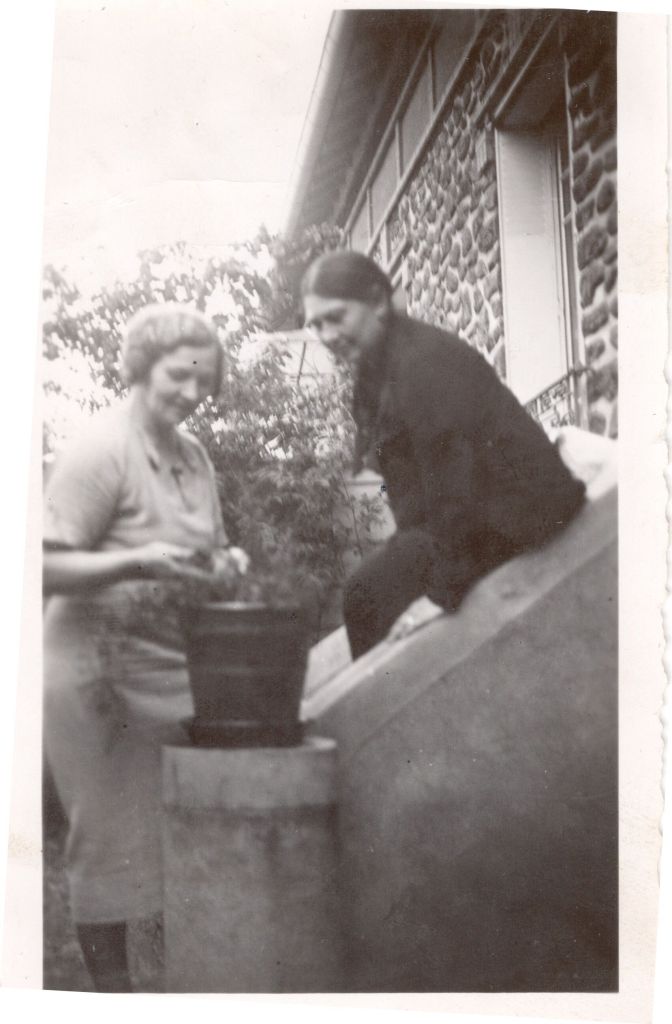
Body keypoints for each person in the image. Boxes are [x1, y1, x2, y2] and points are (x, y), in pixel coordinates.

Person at [43, 303, 247, 991]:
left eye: (205, 382)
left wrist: (226, 565)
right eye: (179, 377)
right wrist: (138, 563)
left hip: (168, 666)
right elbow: (38, 566)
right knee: (107, 846)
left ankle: (184, 978)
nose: (192, 395)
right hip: (94, 672)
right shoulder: (101, 449)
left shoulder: (194, 457)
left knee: (184, 829)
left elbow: (206, 551)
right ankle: (113, 997)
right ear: (141, 366)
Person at [301, 251, 587, 659]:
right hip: (478, 516)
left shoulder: (424, 363)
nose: (326, 334)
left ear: (378, 303)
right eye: (315, 324)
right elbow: (412, 492)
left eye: (336, 317)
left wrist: (440, 594)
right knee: (371, 587)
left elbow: (455, 483)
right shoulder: (374, 373)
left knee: (369, 593)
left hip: (523, 514)